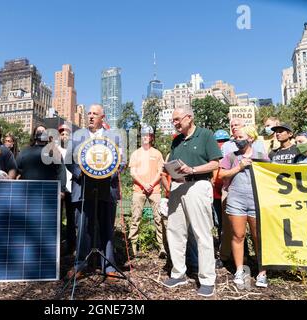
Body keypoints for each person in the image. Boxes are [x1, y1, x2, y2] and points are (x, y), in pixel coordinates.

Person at [162, 106, 222, 297]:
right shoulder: (177, 140)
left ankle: (207, 279)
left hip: (198, 185)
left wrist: (193, 170)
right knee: (175, 231)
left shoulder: (205, 135)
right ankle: (178, 273)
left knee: (202, 233)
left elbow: (215, 163)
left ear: (189, 117)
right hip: (177, 187)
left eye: (177, 119)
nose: (175, 123)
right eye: (173, 120)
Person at [66, 104, 125, 281]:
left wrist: (109, 173)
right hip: (83, 188)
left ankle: (108, 266)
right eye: (89, 113)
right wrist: (80, 174)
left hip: (107, 188)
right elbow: (68, 159)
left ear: (102, 117)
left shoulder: (114, 136)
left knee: (107, 227)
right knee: (83, 227)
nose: (90, 116)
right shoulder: (77, 136)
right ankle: (80, 265)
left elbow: (122, 161)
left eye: (95, 114)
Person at [218, 126, 269, 288]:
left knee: (258, 237)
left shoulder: (262, 156)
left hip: (256, 201)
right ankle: (239, 270)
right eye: (235, 137)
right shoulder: (230, 156)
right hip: (236, 201)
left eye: (240, 136)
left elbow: (270, 176)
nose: (236, 139)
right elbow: (220, 175)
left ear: (251, 138)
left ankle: (262, 272)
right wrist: (238, 167)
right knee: (238, 236)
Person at [128, 125, 165, 258]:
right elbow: (132, 173)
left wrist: (151, 184)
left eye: (148, 135)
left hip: (155, 190)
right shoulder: (135, 153)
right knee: (135, 218)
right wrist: (144, 184)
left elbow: (160, 172)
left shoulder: (157, 153)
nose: (146, 137)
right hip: (138, 189)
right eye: (143, 134)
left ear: (152, 137)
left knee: (159, 218)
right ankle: (133, 247)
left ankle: (162, 247)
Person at [16, 125, 66, 189]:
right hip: (28, 191)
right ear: (34, 135)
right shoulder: (24, 152)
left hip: (49, 191)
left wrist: (62, 189)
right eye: (39, 131)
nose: (41, 133)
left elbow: (61, 171)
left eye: (43, 131)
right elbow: (16, 169)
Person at [57, 124, 76, 255]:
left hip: (72, 188)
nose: (64, 136)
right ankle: (57, 246)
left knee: (71, 219)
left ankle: (71, 246)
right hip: (59, 190)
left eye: (67, 134)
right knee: (57, 218)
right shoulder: (55, 150)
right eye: (62, 134)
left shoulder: (74, 150)